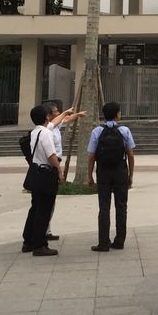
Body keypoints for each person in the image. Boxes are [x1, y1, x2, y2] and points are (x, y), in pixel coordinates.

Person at [87, 101, 136, 252]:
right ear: (117, 115)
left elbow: (91, 156)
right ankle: (119, 240)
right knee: (121, 206)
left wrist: (90, 176)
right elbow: (130, 155)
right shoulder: (125, 130)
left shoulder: (97, 131)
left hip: (103, 172)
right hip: (120, 170)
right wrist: (130, 175)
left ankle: (103, 242)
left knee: (104, 206)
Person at [21, 104, 63, 257]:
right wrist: (59, 170)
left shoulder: (35, 132)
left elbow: (55, 122)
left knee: (35, 208)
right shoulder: (46, 133)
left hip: (36, 173)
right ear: (46, 116)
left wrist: (65, 114)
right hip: (46, 173)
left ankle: (28, 241)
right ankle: (40, 244)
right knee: (44, 210)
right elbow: (51, 155)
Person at [43, 102, 85, 242]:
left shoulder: (55, 126)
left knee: (51, 202)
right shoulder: (48, 127)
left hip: (55, 164)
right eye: (55, 111)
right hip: (50, 166)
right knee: (46, 201)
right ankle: (43, 231)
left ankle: (46, 230)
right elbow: (58, 120)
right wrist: (65, 112)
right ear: (48, 115)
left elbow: (65, 120)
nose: (58, 113)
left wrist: (77, 115)